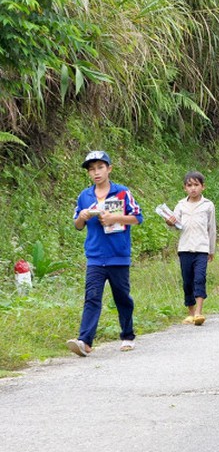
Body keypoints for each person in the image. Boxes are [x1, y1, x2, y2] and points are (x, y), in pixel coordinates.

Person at [67, 151, 143, 356]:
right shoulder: (85, 196)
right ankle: (85, 341)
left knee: (122, 297)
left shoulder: (122, 193)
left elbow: (137, 217)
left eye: (100, 167)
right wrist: (82, 217)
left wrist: (115, 218)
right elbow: (77, 225)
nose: (96, 172)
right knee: (92, 297)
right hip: (94, 256)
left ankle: (127, 335)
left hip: (118, 255)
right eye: (91, 169)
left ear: (109, 169)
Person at [165, 171, 216, 326]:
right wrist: (170, 222)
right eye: (189, 185)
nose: (193, 188)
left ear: (203, 187)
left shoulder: (208, 205)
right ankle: (191, 312)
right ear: (184, 188)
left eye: (196, 185)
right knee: (187, 281)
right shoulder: (181, 205)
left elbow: (212, 228)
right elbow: (174, 224)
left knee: (199, 278)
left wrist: (211, 250)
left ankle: (199, 313)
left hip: (201, 248)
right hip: (185, 248)